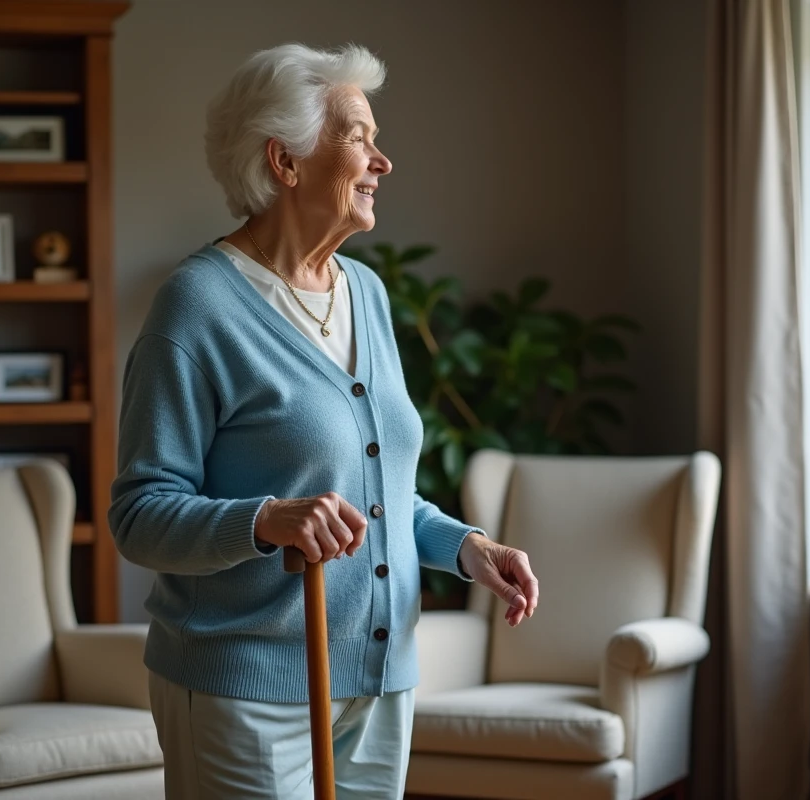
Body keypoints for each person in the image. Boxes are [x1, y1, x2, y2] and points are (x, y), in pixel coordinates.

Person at [109, 43, 540, 799]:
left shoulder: (367, 294)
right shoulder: (196, 306)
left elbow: (379, 497)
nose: (383, 161)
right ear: (285, 160)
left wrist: (468, 547)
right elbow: (139, 514)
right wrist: (265, 520)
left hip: (378, 688)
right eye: (358, 138)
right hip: (243, 694)